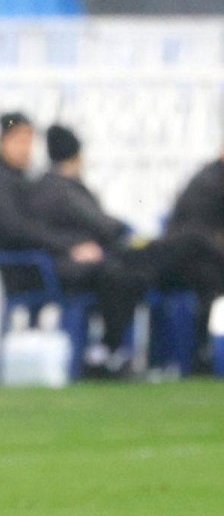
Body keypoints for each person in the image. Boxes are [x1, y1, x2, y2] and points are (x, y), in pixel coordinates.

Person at [31, 124, 224, 370]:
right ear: (77, 156)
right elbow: (101, 224)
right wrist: (78, 245)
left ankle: (115, 352)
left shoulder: (57, 188)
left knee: (194, 263)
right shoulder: (61, 190)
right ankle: (110, 353)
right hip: (97, 260)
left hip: (109, 256)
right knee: (187, 246)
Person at [0, 112, 145, 372]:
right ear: (1, 141)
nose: (27, 149)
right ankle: (108, 353)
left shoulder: (9, 177)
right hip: (32, 268)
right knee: (115, 273)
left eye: (30, 141)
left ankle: (106, 353)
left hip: (45, 260)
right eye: (20, 140)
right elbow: (17, 231)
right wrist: (69, 247)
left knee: (117, 269)